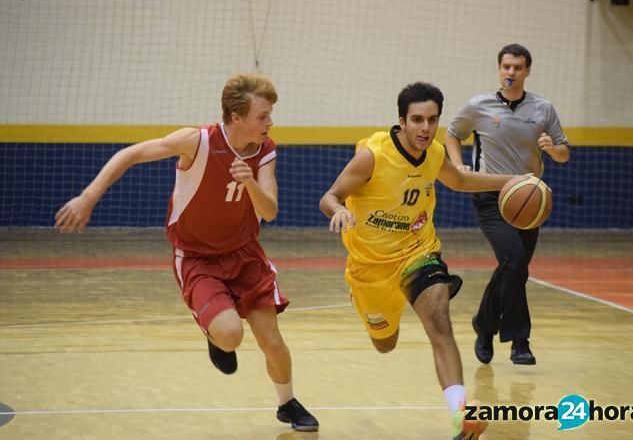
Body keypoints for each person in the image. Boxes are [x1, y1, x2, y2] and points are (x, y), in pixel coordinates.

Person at [55, 73, 319, 432]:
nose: (270, 122)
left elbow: (269, 211)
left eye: (271, 114)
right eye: (263, 116)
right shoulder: (197, 142)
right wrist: (88, 197)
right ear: (236, 117)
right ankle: (213, 332)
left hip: (245, 254)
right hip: (197, 257)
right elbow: (130, 154)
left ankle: (287, 404)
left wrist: (250, 183)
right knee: (230, 335)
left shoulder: (265, 150)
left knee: (272, 341)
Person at [320, 82, 519, 440]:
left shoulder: (435, 153)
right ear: (401, 121)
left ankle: (461, 416)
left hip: (417, 253)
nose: (425, 128)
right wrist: (338, 211)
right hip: (371, 268)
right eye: (417, 120)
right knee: (385, 343)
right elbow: (330, 196)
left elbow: (459, 179)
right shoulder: (373, 154)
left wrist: (513, 181)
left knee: (438, 319)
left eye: (432, 120)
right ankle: (370, 307)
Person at [445, 44, 570, 366]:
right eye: (506, 67)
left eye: (517, 67)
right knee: (514, 262)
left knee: (515, 269)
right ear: (499, 69)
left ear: (527, 70)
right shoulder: (479, 106)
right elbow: (452, 134)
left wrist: (553, 149)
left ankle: (484, 326)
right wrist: (458, 165)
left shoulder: (543, 108)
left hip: (530, 197)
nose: (511, 72)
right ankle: (519, 341)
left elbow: (564, 152)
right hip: (491, 195)